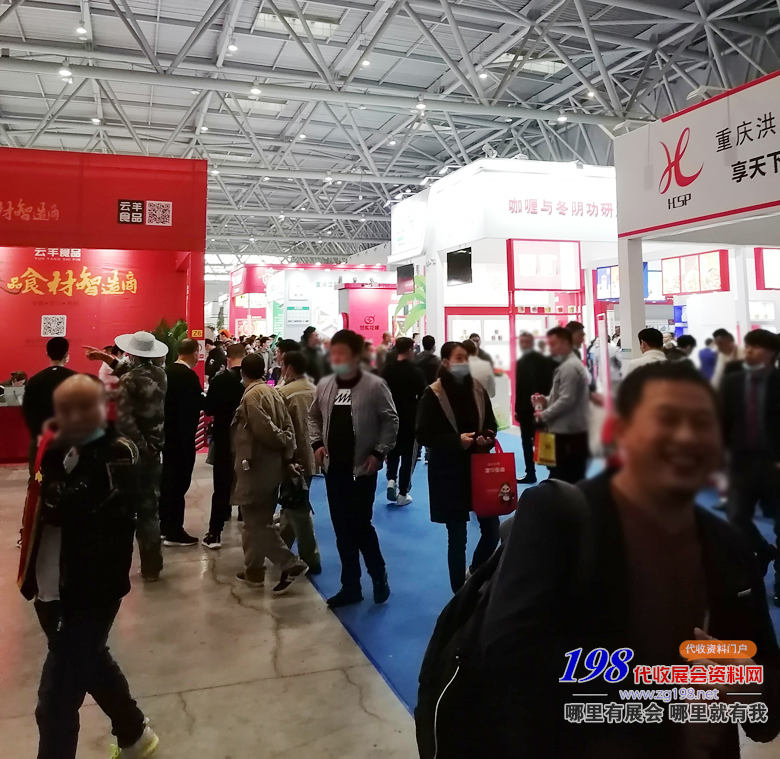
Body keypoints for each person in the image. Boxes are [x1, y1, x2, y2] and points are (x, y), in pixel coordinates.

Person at [476, 361, 780, 756]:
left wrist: (747, 684)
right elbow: (509, 659)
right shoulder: (560, 517)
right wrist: (668, 686)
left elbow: (764, 706)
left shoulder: (728, 546)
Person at [18, 375, 159, 759]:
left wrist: (62, 484)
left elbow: (82, 510)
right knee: (92, 662)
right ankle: (134, 734)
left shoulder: (114, 452)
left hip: (88, 592)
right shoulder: (52, 444)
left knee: (55, 703)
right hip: (51, 586)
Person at [308, 329, 398, 608]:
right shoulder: (325, 384)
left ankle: (378, 574)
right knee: (341, 529)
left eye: (342, 354)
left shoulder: (374, 386)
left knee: (360, 526)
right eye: (333, 353)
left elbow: (390, 420)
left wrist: (378, 452)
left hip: (362, 470)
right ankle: (351, 586)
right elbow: (313, 416)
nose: (336, 358)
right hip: (334, 469)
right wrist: (317, 443)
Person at [416, 341, 499, 593]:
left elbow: (491, 423)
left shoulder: (477, 389)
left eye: (466, 358)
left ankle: (474, 571)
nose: (464, 363)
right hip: (449, 473)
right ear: (445, 362)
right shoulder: (433, 394)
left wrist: (486, 437)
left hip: (479, 469)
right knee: (457, 537)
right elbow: (423, 434)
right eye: (459, 358)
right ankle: (458, 593)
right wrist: (456, 442)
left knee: (492, 531)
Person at [86, 331, 169, 581]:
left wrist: (140, 447)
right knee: (150, 510)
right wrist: (108, 359)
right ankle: (152, 566)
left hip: (135, 455)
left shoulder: (129, 380)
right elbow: (133, 372)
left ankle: (115, 566)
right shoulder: (160, 374)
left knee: (123, 511)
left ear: (132, 353)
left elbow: (125, 420)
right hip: (156, 449)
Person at [231, 353, 309, 594]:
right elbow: (287, 424)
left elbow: (265, 429)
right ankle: (253, 570)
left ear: (242, 373)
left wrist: (282, 440)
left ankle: (291, 564)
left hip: (257, 468)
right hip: (271, 467)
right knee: (255, 522)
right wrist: (287, 450)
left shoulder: (252, 396)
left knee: (257, 524)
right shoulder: (272, 391)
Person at [721, 329, 780, 601]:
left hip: (774, 464)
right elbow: (723, 420)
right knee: (736, 518)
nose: (749, 351)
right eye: (748, 346)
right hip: (741, 463)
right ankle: (764, 551)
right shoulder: (732, 382)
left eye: (756, 347)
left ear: (771, 353)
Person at [276, 350, 321, 576]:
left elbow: (279, 429)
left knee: (298, 508)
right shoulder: (316, 390)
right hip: (313, 455)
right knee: (291, 504)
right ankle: (280, 550)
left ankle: (311, 557)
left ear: (289, 367)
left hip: (292, 459)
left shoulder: (283, 394)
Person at [159, 338, 203, 547]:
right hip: (183, 439)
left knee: (167, 482)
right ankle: (174, 531)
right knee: (179, 484)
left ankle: (164, 526)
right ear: (194, 353)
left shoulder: (165, 372)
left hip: (166, 437)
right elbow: (199, 404)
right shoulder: (188, 376)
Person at [202, 343, 246, 550]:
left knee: (221, 486)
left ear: (228, 359)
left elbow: (209, 408)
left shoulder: (219, 381)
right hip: (246, 440)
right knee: (246, 481)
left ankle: (215, 532)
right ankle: (244, 517)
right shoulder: (252, 382)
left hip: (223, 439)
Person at [534, 326, 590, 483]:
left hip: (568, 434)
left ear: (565, 343)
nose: (551, 349)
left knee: (563, 477)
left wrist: (543, 414)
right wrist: (546, 400)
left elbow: (567, 399)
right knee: (563, 475)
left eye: (554, 344)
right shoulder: (568, 365)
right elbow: (563, 396)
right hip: (569, 431)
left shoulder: (569, 367)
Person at [382, 337, 426, 506]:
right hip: (410, 418)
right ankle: (403, 492)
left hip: (390, 416)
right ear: (409, 350)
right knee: (408, 456)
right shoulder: (415, 371)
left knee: (392, 450)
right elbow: (423, 395)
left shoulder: (387, 370)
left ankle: (391, 479)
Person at [22, 337, 75, 469]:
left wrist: (37, 434)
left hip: (41, 440)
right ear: (66, 355)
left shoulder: (34, 380)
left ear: (47, 353)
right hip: (68, 440)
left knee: (38, 477)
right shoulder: (76, 379)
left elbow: (27, 411)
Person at [514, 331, 555, 484]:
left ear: (532, 343)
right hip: (525, 409)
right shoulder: (520, 362)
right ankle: (530, 473)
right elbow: (519, 388)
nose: (524, 344)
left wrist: (544, 406)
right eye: (522, 342)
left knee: (545, 439)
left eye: (527, 341)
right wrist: (517, 409)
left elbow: (547, 385)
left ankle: (552, 473)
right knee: (526, 442)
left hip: (540, 408)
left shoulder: (542, 361)